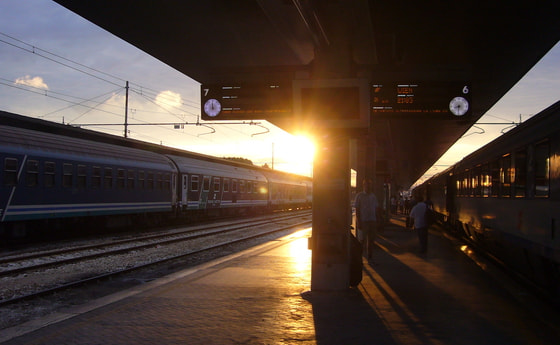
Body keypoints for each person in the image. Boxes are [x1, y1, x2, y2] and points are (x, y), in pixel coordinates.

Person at [354, 178, 378, 260]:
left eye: (369, 185)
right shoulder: (359, 196)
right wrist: (358, 222)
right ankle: (359, 257)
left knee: (371, 240)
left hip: (372, 220)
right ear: (363, 185)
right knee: (362, 240)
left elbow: (376, 208)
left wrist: (377, 220)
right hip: (363, 221)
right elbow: (357, 209)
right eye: (366, 185)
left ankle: (370, 257)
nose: (368, 186)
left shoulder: (373, 196)